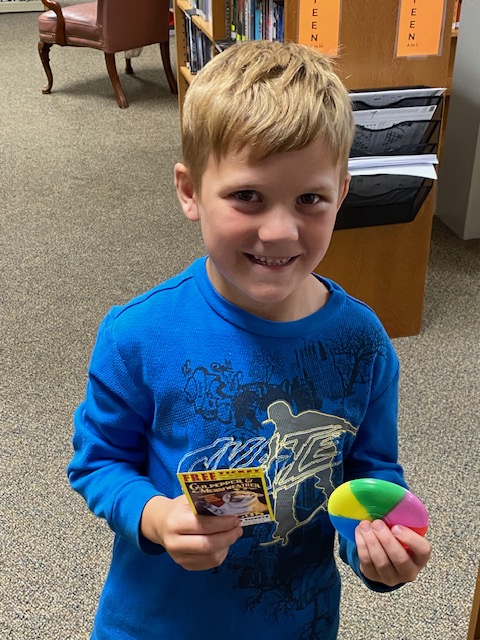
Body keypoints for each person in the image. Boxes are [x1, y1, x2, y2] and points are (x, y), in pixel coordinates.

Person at [68, 40, 431, 640]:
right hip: (159, 625)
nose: (280, 230)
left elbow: (369, 476)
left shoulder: (362, 342)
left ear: (341, 193)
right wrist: (155, 517)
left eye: (310, 199)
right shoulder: (138, 334)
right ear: (190, 191)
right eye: (247, 196)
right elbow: (99, 462)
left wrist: (379, 547)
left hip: (298, 621)